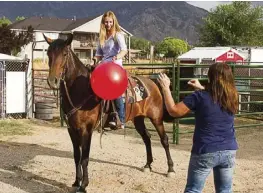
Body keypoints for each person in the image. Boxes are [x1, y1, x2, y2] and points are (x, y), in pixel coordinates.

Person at [157, 62, 238, 193]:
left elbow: (174, 111)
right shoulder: (233, 96)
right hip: (229, 149)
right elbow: (214, 98)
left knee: (193, 190)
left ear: (211, 77)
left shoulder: (199, 97)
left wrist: (165, 88)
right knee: (225, 190)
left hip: (205, 150)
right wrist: (201, 87)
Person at [92, 11, 128, 129]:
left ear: (114, 22)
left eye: (110, 22)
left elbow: (124, 50)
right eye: (106, 22)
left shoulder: (117, 35)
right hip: (103, 67)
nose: (108, 24)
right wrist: (93, 61)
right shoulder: (102, 37)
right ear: (103, 23)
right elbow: (98, 54)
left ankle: (120, 119)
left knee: (114, 89)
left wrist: (117, 57)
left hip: (115, 66)